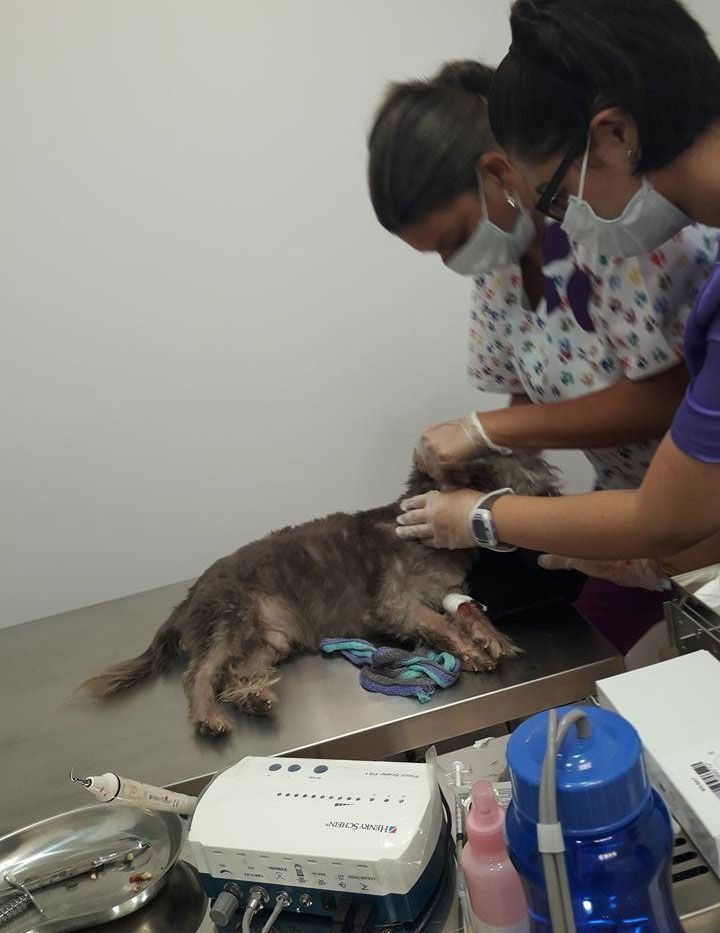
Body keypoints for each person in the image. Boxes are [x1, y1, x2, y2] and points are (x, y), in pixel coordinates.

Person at [368, 60, 717, 654]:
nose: (456, 260)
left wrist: (484, 439)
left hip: (693, 508)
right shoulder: (498, 274)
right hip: (626, 519)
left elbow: (663, 395)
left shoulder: (611, 231)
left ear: (496, 172)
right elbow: (528, 404)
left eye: (454, 238)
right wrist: (473, 480)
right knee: (591, 659)